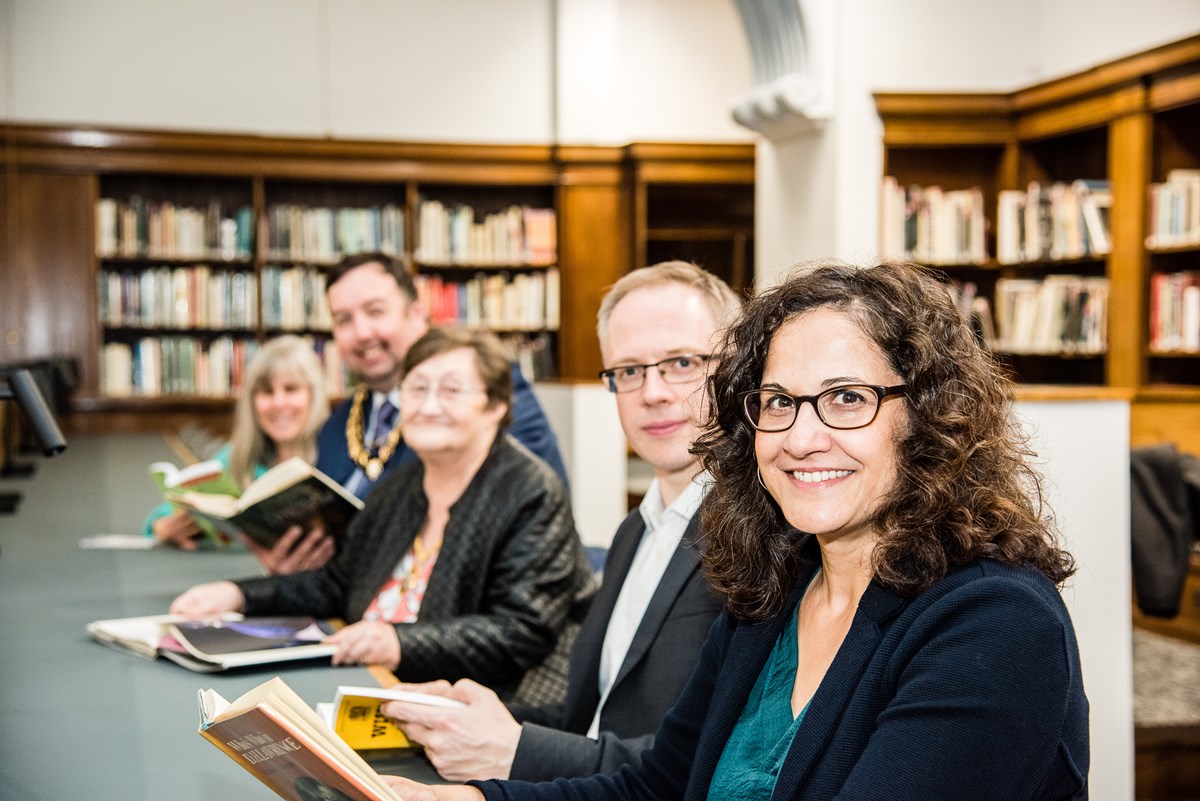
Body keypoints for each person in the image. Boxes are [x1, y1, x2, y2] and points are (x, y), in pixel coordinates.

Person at [382, 261, 1090, 801]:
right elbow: (657, 785)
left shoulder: (996, 621)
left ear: (929, 417)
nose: (801, 436)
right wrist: (467, 797)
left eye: (847, 398)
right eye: (778, 401)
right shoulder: (775, 586)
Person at [379, 262, 740, 782]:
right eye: (629, 370)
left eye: (681, 363)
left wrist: (516, 750)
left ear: (733, 368)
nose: (653, 392)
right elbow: (591, 722)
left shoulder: (759, 538)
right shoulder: (634, 530)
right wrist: (472, 722)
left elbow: (710, 764)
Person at [170, 327, 594, 699]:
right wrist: (240, 595)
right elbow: (339, 583)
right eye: (417, 388)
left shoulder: (529, 492)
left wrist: (397, 642)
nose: (428, 406)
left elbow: (520, 631)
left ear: (495, 407)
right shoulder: (400, 486)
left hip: (471, 708)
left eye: (451, 390)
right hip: (367, 683)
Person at [315, 252, 567, 501]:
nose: (361, 333)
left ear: (416, 313)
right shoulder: (336, 427)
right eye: (343, 319)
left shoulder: (485, 386)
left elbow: (532, 500)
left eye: (375, 311)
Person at [144, 334, 334, 574]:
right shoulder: (238, 457)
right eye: (266, 392)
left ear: (314, 395)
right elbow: (159, 515)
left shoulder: (338, 455)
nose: (279, 403)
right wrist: (164, 527)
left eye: (291, 389)